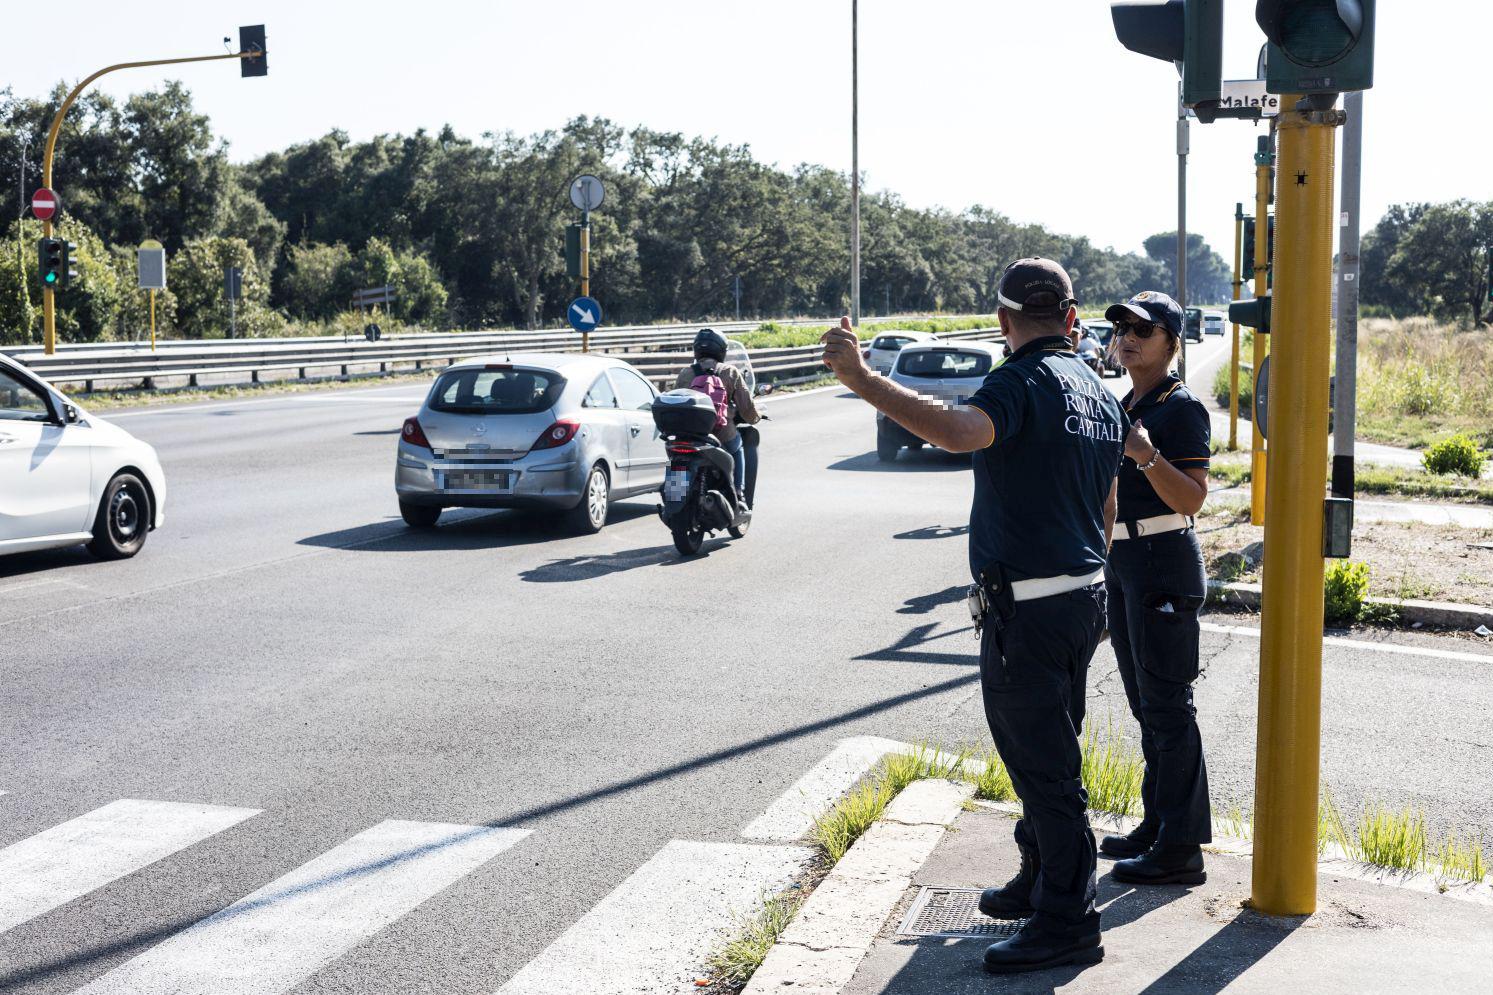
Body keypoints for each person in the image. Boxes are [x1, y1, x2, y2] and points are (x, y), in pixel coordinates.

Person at [822, 258, 1126, 974]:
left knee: (1044, 765)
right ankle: (1040, 878)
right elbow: (1106, 506)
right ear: (1073, 319)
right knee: (1049, 749)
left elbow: (961, 431)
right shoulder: (1098, 391)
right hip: (1083, 593)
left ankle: (1068, 920)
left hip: (1031, 605)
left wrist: (864, 380)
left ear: (1002, 321)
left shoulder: (1018, 381)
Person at [1097, 291, 1212, 885]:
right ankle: (1158, 823)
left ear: (1172, 341)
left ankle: (1181, 849)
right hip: (1125, 561)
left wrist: (1145, 456)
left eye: (1143, 327)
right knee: (1147, 705)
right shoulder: (1126, 400)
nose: (1128, 335)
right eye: (1121, 326)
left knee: (1169, 708)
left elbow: (1192, 497)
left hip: (1163, 557)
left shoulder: (1179, 408)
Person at [675, 328, 760, 501]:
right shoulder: (730, 372)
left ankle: (674, 493)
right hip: (721, 432)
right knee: (738, 447)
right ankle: (738, 491)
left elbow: (676, 400)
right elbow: (746, 407)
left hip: (690, 434)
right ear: (721, 350)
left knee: (677, 458)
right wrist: (755, 418)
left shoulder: (686, 373)